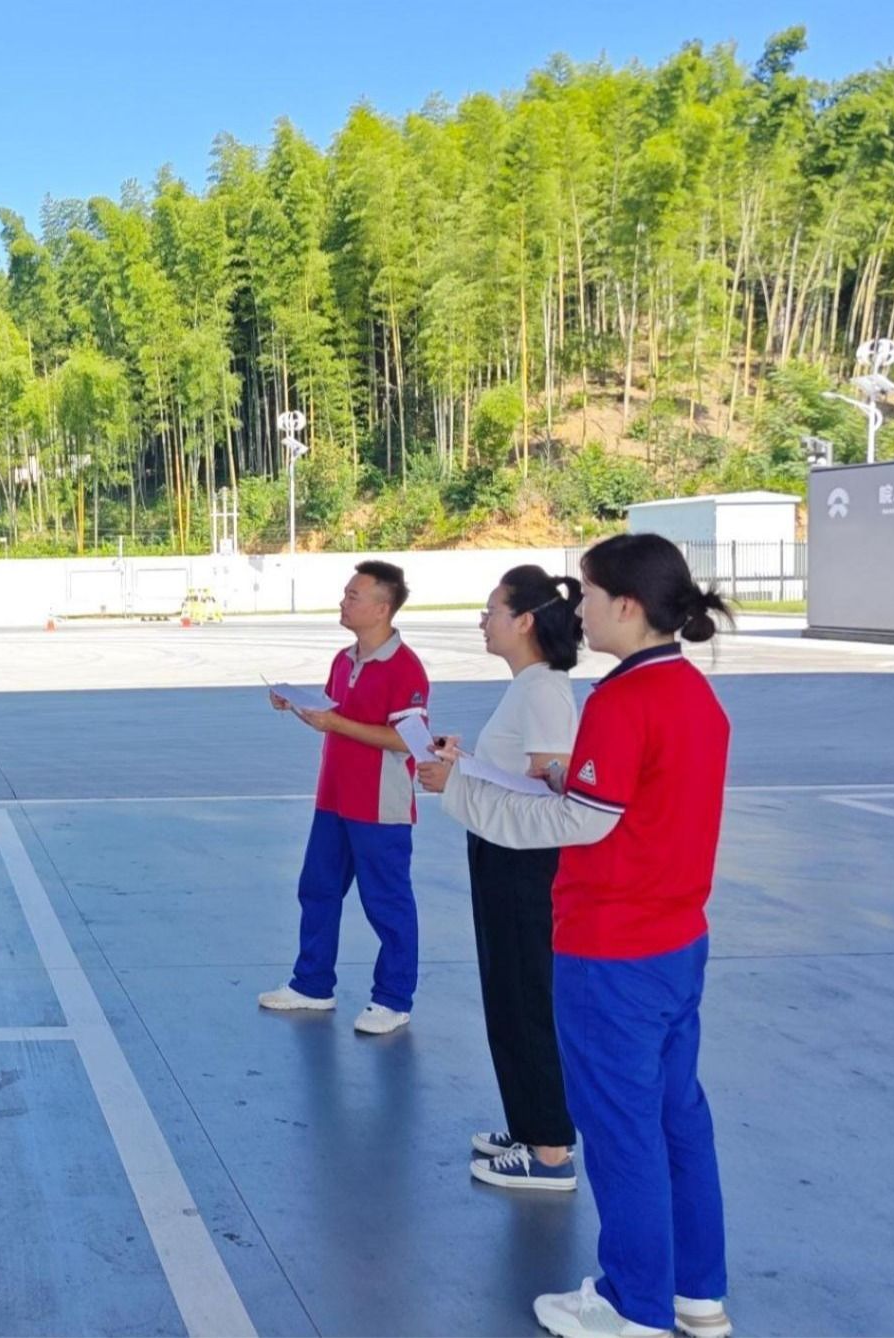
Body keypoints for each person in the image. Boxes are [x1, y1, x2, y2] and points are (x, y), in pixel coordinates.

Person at [424, 533, 735, 1338]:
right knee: (677, 1117)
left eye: (590, 594)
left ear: (626, 605)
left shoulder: (621, 701)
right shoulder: (693, 693)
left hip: (611, 950)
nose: (581, 610)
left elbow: (576, 824)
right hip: (677, 941)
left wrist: (460, 789)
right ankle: (696, 1292)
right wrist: (569, 777)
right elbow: (630, 800)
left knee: (622, 1128)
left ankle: (634, 1305)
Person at [425, 567, 585, 1193]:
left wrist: (460, 780)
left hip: (525, 861)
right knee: (506, 993)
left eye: (491, 611)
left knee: (526, 997)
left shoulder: (544, 690)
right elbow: (518, 776)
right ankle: (529, 1125)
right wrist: (463, 765)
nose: (483, 622)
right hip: (500, 850)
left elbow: (549, 787)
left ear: (524, 621)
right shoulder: (527, 687)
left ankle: (550, 1151)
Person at [259, 560, 430, 1036]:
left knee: (386, 902)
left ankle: (393, 998)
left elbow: (407, 741)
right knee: (318, 888)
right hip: (333, 799)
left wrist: (334, 722)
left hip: (379, 805)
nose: (343, 602)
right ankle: (313, 984)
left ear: (382, 608)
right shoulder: (342, 660)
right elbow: (332, 717)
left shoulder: (405, 668)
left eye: (353, 596)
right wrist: (298, 706)